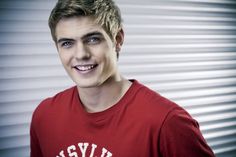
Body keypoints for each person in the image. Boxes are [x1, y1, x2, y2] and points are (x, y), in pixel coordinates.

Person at [30, 0, 216, 156]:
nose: (81, 54)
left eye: (93, 39)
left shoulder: (167, 123)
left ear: (117, 40)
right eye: (67, 43)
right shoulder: (44, 116)